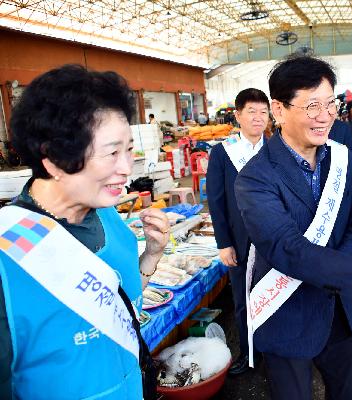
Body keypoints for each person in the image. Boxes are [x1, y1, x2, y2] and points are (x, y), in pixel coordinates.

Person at [234, 55, 352, 400]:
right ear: (278, 110)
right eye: (312, 106)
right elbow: (287, 249)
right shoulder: (255, 177)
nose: (325, 116)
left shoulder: (342, 157)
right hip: (286, 315)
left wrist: (334, 273)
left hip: (337, 312)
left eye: (330, 104)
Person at [0, 64, 170, 399]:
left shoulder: (109, 218)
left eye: (128, 151)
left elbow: (122, 301)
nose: (126, 169)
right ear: (53, 159)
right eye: (111, 153)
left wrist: (152, 254)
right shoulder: (10, 252)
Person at [206, 88, 270, 376]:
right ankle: (247, 354)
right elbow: (216, 201)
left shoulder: (276, 149)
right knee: (243, 301)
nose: (258, 118)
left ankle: (273, 353)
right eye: (252, 112)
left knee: (275, 296)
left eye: (263, 112)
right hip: (240, 243)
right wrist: (224, 243)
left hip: (273, 241)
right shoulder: (222, 153)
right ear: (238, 116)